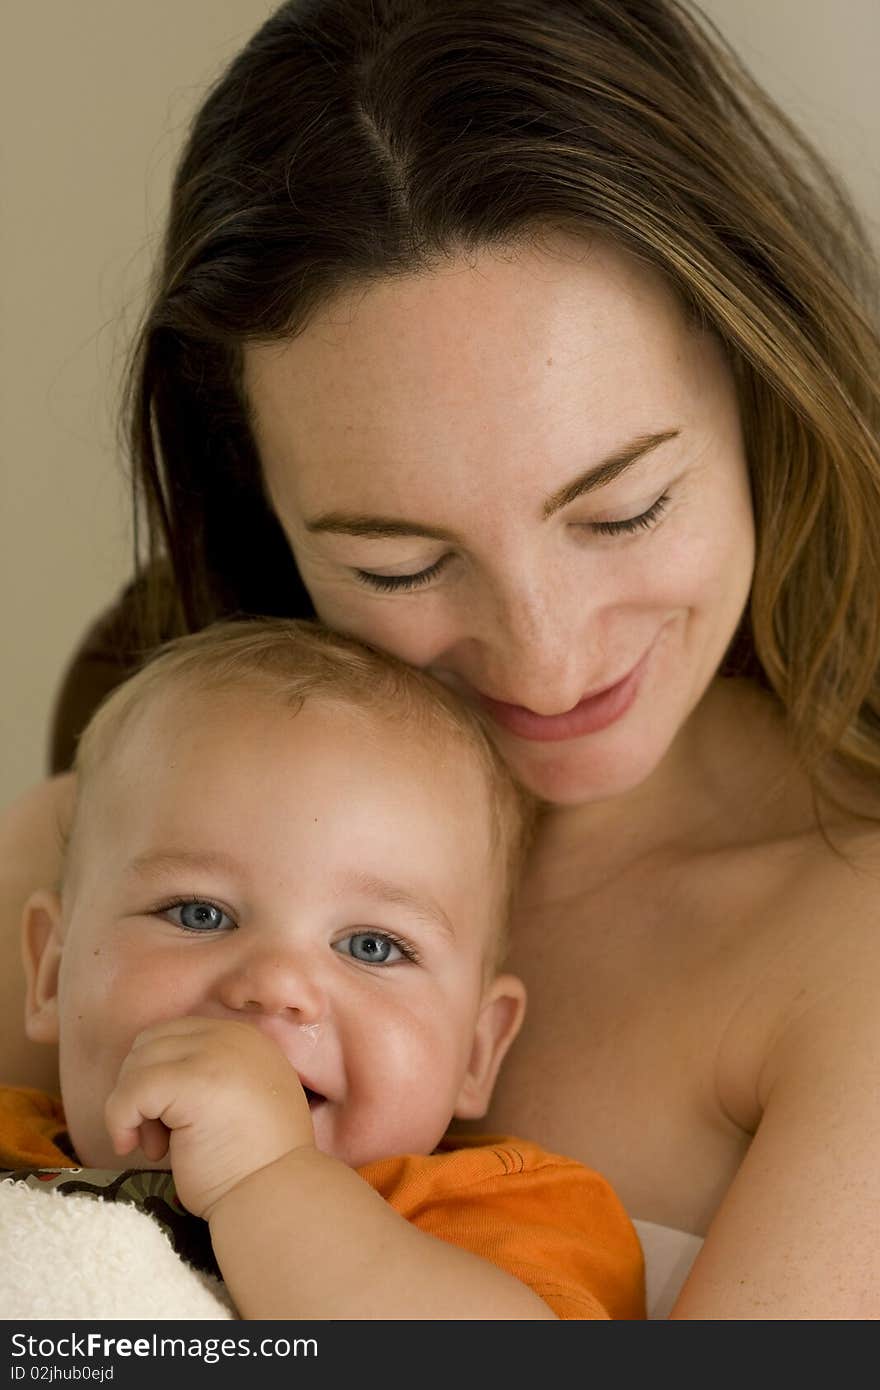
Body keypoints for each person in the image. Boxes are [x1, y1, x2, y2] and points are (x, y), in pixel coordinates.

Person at [2, 0, 880, 1318]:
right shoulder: (99, 857)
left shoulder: (847, 962)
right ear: (266, 512)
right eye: (398, 565)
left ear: (758, 392)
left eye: (622, 509)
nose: (545, 654)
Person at [3, 618, 645, 1321]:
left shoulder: (505, 1214)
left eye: (372, 945)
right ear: (52, 971)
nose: (276, 983)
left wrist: (266, 1177)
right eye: (197, 914)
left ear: (477, 1050)